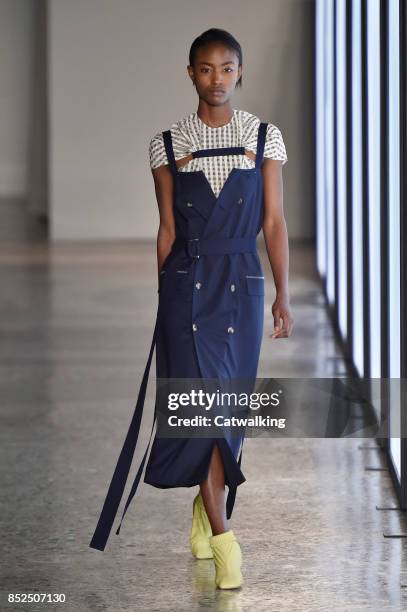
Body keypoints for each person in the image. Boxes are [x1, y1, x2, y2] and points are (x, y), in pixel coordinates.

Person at [90, 27, 294, 590]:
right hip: (187, 285)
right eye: (206, 69)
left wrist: (283, 294)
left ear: (240, 73)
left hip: (244, 284)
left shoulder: (265, 136)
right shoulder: (165, 143)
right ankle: (226, 540)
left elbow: (273, 222)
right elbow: (168, 228)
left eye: (227, 68)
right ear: (190, 74)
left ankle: (205, 514)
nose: (217, 79)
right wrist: (163, 296)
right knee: (202, 410)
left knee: (229, 412)